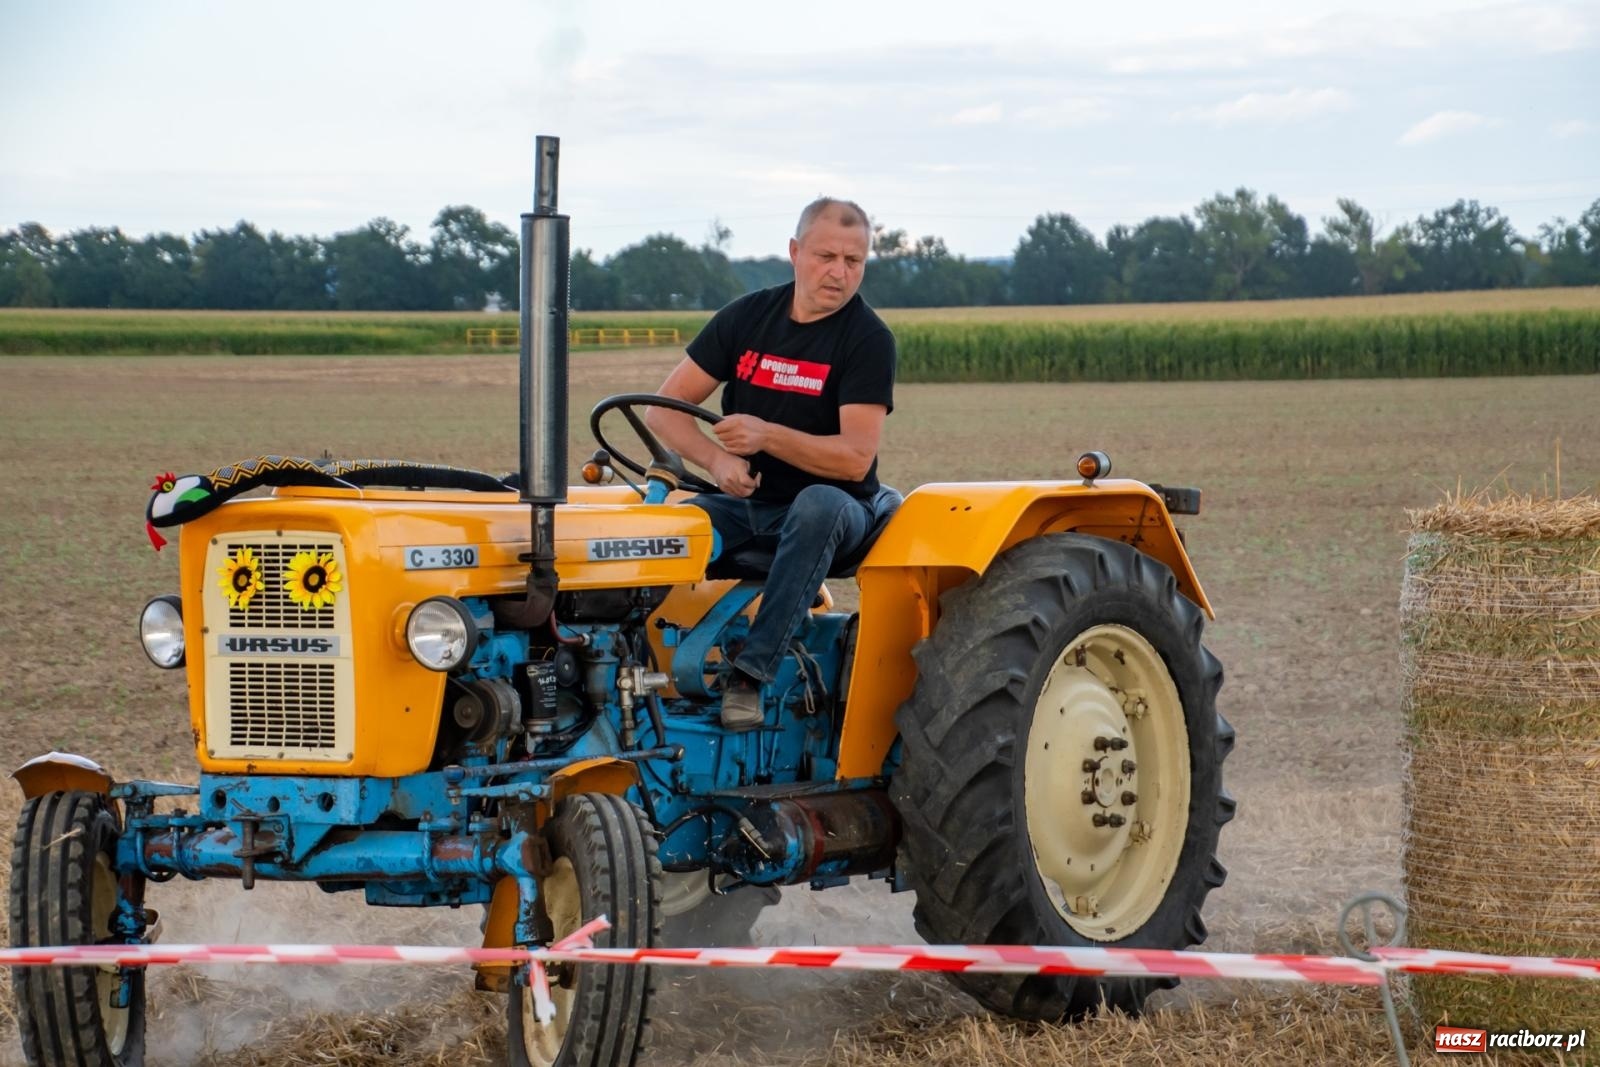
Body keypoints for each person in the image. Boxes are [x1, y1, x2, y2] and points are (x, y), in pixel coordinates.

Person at [644, 197, 899, 729]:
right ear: (794, 252)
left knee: (818, 504)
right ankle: (630, 667)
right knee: (663, 527)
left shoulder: (868, 340)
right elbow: (662, 413)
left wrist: (766, 435)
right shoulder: (748, 317)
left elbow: (854, 460)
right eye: (826, 255)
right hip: (745, 505)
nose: (839, 272)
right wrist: (717, 461)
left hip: (838, 514)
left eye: (854, 261)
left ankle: (750, 676)